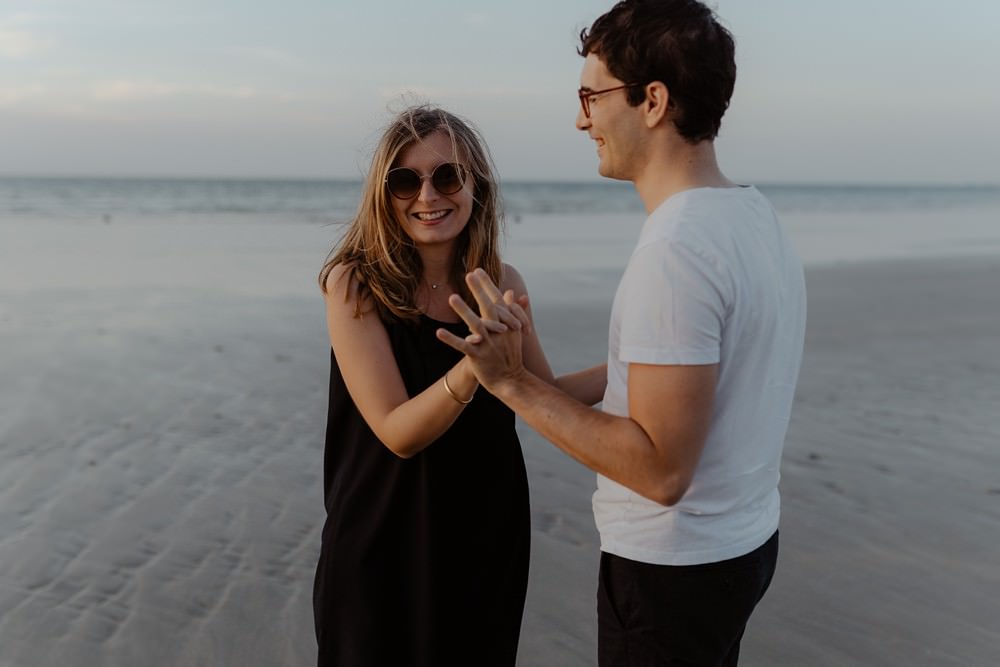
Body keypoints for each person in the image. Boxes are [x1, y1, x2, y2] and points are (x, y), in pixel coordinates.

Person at [437, 1, 807, 665]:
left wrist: (509, 381)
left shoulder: (678, 250)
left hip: (675, 568)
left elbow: (661, 469)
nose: (581, 118)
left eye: (591, 95)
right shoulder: (755, 218)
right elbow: (691, 379)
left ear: (653, 101)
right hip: (743, 543)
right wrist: (556, 379)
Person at [313, 105, 605, 666]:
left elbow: (546, 396)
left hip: (484, 534)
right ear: (384, 193)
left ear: (477, 187)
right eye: (406, 180)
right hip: (380, 539)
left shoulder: (501, 283)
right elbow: (397, 432)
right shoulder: (355, 284)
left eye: (447, 176)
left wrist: (638, 365)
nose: (428, 195)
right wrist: (477, 364)